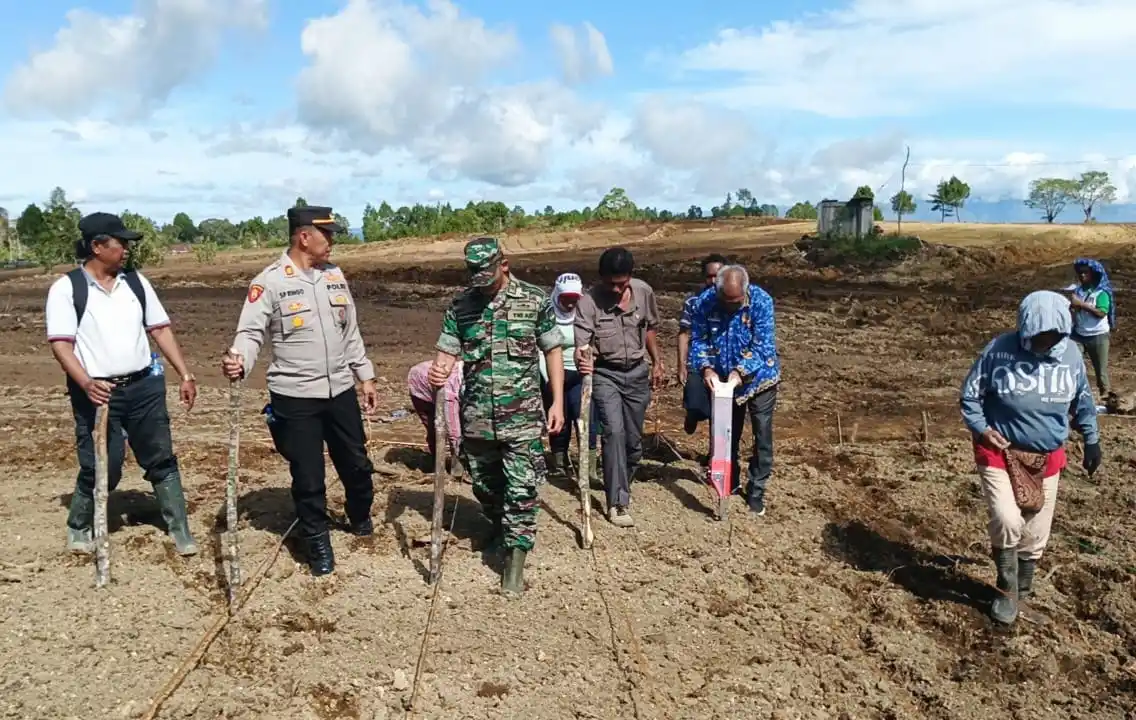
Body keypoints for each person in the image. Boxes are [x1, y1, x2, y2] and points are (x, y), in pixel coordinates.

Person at [221, 204, 378, 577]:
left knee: (357, 465)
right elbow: (250, 332)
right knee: (308, 477)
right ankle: (317, 542)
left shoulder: (335, 276)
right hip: (295, 394)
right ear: (304, 236)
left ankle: (360, 516)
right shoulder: (270, 282)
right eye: (328, 234)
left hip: (339, 389)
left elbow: (350, 331)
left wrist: (365, 376)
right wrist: (239, 360)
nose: (334, 241)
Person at [46, 211, 199, 556]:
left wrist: (184, 373)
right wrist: (86, 383)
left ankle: (179, 528)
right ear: (98, 247)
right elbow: (61, 345)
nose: (127, 249)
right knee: (104, 464)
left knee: (160, 456)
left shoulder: (135, 283)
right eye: (121, 243)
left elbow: (159, 329)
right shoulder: (66, 289)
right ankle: (79, 525)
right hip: (98, 394)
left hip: (145, 386)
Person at [429, 237, 564, 596]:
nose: (481, 282)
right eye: (475, 275)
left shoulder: (534, 300)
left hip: (522, 417)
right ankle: (498, 527)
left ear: (504, 264)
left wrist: (558, 402)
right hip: (477, 417)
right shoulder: (461, 305)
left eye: (487, 274)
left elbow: (552, 349)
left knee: (521, 490)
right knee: (486, 486)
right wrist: (439, 372)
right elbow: (446, 351)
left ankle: (514, 563)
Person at [959, 290, 1101, 626]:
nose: (1045, 342)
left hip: (1047, 456)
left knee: (1036, 532)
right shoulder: (998, 351)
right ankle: (1006, 587)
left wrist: (1092, 439)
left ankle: (1022, 589)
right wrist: (981, 428)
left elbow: (1082, 401)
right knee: (1008, 519)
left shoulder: (1071, 356)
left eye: (1052, 336)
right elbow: (970, 397)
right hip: (999, 451)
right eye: (1039, 336)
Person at [574, 247, 663, 528]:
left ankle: (622, 477)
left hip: (637, 374)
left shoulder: (643, 292)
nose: (615, 289)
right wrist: (582, 359)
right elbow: (582, 345)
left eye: (621, 283)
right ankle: (618, 502)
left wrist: (657, 361)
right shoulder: (588, 303)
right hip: (605, 375)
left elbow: (649, 327)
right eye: (610, 283)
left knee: (633, 443)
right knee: (613, 432)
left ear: (631, 277)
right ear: (601, 278)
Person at [686, 265, 780, 516]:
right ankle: (730, 480)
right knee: (727, 434)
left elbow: (763, 345)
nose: (730, 308)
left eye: (736, 303)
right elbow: (698, 340)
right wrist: (706, 368)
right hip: (723, 380)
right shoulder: (705, 303)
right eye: (725, 302)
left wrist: (740, 372)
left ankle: (757, 489)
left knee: (762, 433)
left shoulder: (761, 302)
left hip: (760, 378)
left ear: (746, 291)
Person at [538, 273, 598, 476]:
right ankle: (559, 463)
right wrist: (548, 379)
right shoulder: (546, 312)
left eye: (575, 299)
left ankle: (588, 467)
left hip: (580, 373)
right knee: (559, 418)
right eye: (566, 299)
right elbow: (541, 349)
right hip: (553, 373)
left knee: (584, 417)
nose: (571, 304)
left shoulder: (587, 311)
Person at [679, 253, 728, 434]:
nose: (714, 281)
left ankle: (715, 454)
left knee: (720, 412)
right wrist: (681, 365)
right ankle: (692, 414)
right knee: (696, 403)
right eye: (709, 276)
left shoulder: (733, 301)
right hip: (698, 360)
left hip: (724, 362)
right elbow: (684, 334)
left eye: (718, 275)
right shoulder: (693, 302)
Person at [1068, 258, 1115, 400]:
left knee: (1100, 371)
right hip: (1079, 334)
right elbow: (1074, 310)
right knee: (1074, 365)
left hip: (1098, 336)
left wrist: (1081, 305)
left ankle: (1105, 397)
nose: (1082, 276)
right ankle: (1075, 395)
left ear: (1093, 274)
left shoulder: (1102, 293)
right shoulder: (1078, 291)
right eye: (1080, 273)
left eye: (1085, 273)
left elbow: (1101, 313)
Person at [407, 359, 462, 460]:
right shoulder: (450, 389)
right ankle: (438, 460)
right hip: (420, 388)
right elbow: (454, 431)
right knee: (435, 427)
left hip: (436, 379)